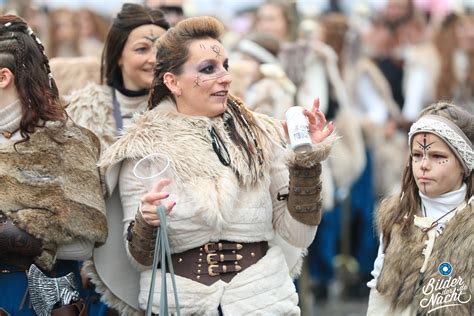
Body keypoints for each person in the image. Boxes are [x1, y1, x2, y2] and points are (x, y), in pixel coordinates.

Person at [95, 16, 336, 315]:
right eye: (208, 69)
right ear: (172, 82)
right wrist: (147, 222)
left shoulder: (260, 135)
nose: (225, 77)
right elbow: (140, 260)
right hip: (182, 304)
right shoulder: (143, 146)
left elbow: (298, 236)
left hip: (261, 300)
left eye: (225, 66)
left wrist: (305, 162)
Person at [65, 3, 169, 314]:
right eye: (142, 48)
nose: (153, 58)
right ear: (118, 54)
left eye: (162, 49)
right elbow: (70, 196)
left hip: (173, 270)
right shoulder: (83, 112)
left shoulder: (187, 114)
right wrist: (85, 260)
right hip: (101, 275)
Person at [0, 15, 107, 315]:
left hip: (37, 297)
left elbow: (84, 243)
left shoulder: (68, 142)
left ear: (3, 77)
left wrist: (17, 234)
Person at [367, 102, 473, 315]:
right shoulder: (396, 216)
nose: (423, 165)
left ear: (463, 163)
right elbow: (379, 297)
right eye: (417, 155)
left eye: (437, 156)